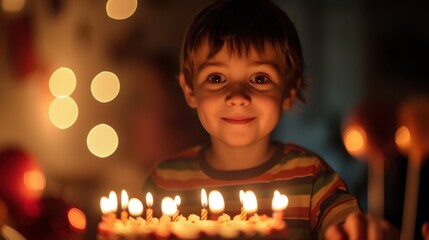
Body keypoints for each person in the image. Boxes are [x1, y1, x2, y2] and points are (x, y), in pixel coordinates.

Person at [141, 0, 404, 239]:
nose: (238, 96)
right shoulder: (165, 182)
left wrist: (364, 232)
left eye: (259, 78)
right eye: (216, 78)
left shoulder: (312, 179)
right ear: (190, 90)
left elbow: (349, 230)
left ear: (288, 91)